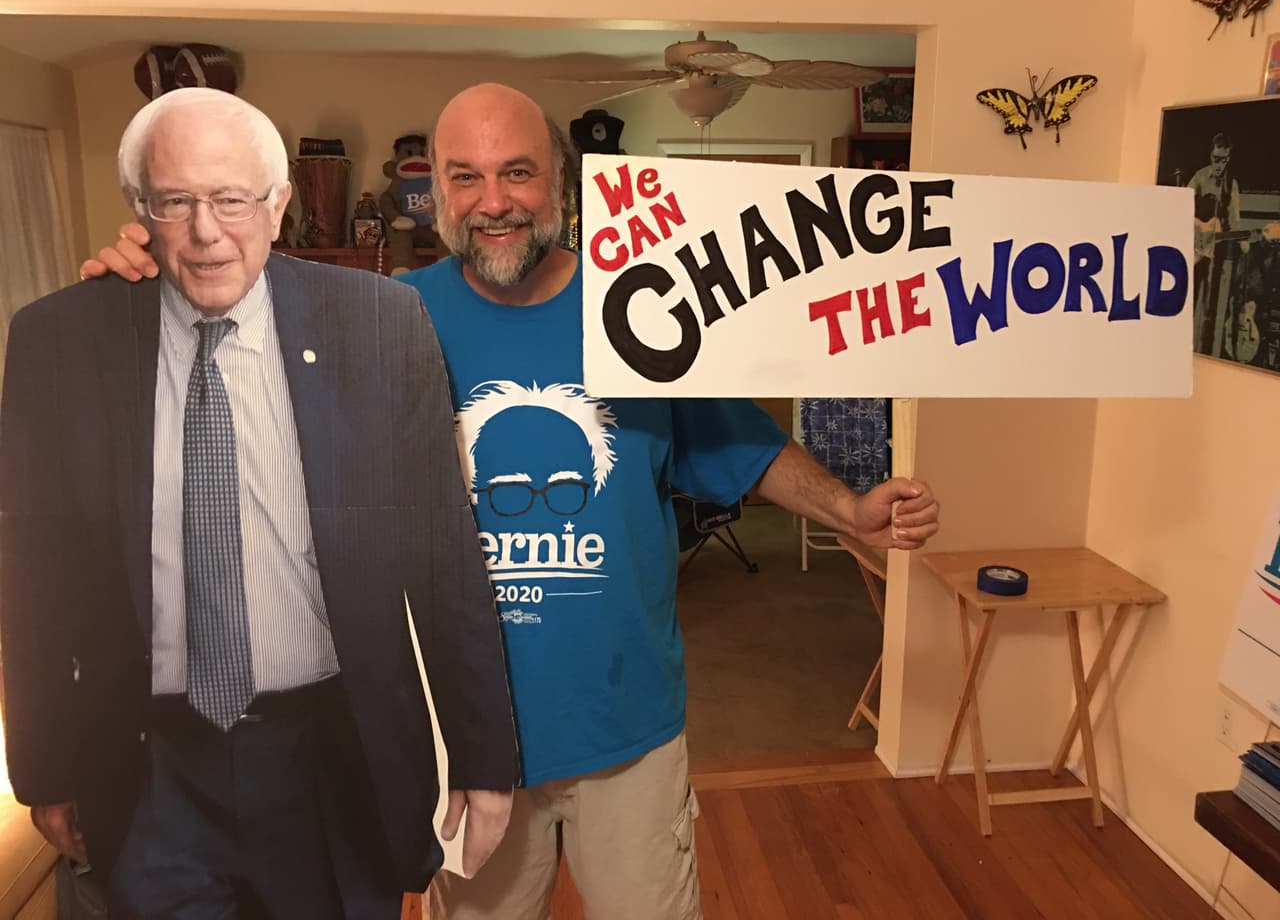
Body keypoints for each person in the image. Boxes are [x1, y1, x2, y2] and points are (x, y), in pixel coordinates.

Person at [83, 82, 941, 920]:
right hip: (467, 738)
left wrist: (849, 509)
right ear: (436, 195)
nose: (494, 201)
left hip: (627, 732)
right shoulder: (380, 319)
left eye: (518, 172)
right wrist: (153, 301)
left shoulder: (639, 311)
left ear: (561, 184)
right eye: (466, 176)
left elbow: (740, 444)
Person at [3, 87, 518, 919]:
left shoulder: (381, 323)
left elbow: (445, 554)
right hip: (146, 767)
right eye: (176, 202)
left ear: (278, 204)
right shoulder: (61, 340)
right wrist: (44, 767)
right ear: (141, 208)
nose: (208, 231)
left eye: (232, 199)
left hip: (329, 756)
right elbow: (33, 576)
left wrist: (484, 757)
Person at [1188, 132, 1246, 355]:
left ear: (1229, 158)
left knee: (1211, 303)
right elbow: (1180, 205)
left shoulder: (1231, 184)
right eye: (1215, 159)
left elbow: (1234, 219)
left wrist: (1244, 242)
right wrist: (1195, 228)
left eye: (1223, 160)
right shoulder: (1200, 177)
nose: (1219, 164)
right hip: (1194, 249)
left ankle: (1203, 348)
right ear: (1210, 155)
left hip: (1216, 252)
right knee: (1189, 297)